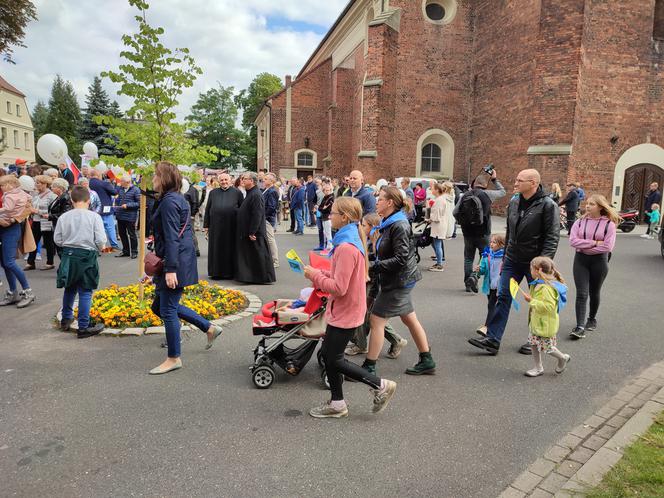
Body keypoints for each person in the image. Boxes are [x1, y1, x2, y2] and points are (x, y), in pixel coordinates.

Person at [303, 197, 397, 418]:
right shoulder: (350, 239)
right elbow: (343, 277)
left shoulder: (345, 246)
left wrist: (315, 276)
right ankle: (337, 404)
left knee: (332, 357)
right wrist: (320, 273)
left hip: (345, 310)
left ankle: (380, 385)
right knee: (328, 354)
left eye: (333, 213)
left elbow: (339, 288)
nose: (329, 216)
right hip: (347, 309)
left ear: (344, 217)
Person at [468, 169, 560, 356]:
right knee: (503, 297)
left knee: (537, 302)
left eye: (520, 180)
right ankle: (493, 340)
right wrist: (505, 257)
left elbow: (552, 237)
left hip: (535, 264)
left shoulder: (548, 205)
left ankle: (535, 341)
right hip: (512, 260)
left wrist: (543, 264)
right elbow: (510, 232)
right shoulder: (515, 201)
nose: (515, 183)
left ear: (533, 183)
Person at [148, 161, 223, 375]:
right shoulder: (172, 199)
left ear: (163, 179)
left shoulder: (170, 202)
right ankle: (208, 327)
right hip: (175, 259)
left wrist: (170, 269)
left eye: (155, 175)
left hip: (175, 262)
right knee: (158, 307)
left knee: (168, 310)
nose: (153, 179)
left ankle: (173, 358)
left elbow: (172, 238)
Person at [363, 186, 436, 375]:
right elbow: (385, 251)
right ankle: (427, 359)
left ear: (390, 203)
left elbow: (401, 258)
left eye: (380, 199)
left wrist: (373, 267)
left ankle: (369, 367)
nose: (376, 201)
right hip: (399, 278)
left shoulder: (399, 225)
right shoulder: (388, 221)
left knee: (376, 320)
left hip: (399, 280)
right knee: (409, 318)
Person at [345, 212, 408, 358]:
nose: (361, 226)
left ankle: (362, 344)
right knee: (371, 317)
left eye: (364, 225)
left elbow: (377, 262)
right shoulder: (369, 240)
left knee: (367, 316)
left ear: (373, 227)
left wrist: (364, 265)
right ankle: (392, 340)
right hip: (372, 282)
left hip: (374, 284)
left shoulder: (377, 243)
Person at [54, 186, 107, 338]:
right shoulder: (94, 217)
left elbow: (57, 239)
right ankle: (83, 327)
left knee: (70, 288)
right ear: (89, 201)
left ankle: (66, 319)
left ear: (71, 200)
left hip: (68, 255)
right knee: (85, 291)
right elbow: (100, 239)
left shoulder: (64, 217)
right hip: (87, 255)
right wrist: (101, 247)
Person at [569, 195, 619, 339]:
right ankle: (579, 326)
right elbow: (573, 241)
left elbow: (608, 247)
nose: (588, 206)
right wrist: (595, 243)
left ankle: (591, 318)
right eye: (587, 203)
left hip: (600, 262)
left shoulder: (609, 224)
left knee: (594, 291)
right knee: (582, 293)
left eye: (592, 204)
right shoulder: (580, 221)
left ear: (600, 207)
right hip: (580, 260)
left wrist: (585, 245)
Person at [453, 169, 506, 292]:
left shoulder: (465, 195)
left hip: (468, 233)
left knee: (468, 258)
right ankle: (475, 277)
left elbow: (455, 212)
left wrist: (463, 222)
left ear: (474, 184)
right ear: (485, 185)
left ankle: (468, 283)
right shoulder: (488, 195)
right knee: (485, 256)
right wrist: (494, 179)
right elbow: (503, 192)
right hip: (484, 233)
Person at [522, 256, 571, 377]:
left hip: (545, 324)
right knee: (533, 343)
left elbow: (549, 307)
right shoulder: (539, 284)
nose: (530, 271)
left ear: (538, 270)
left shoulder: (546, 288)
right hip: (537, 322)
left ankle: (562, 358)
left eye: (531, 269)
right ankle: (538, 368)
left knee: (549, 348)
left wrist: (531, 301)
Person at [0, 175, 35, 308]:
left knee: (9, 261)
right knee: (5, 262)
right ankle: (13, 292)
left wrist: (14, 219)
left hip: (10, 228)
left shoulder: (15, 192)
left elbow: (28, 208)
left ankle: (28, 292)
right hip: (4, 227)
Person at [235, 172, 276, 284]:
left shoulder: (256, 195)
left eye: (245, 178)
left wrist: (252, 231)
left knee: (259, 254)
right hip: (249, 230)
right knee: (252, 255)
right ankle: (251, 277)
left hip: (255, 232)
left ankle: (262, 277)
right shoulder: (250, 193)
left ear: (251, 181)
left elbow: (257, 214)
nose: (242, 180)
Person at [203, 172, 243, 280]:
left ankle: (230, 273)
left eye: (226, 180)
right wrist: (206, 225)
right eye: (222, 180)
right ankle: (216, 272)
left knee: (230, 249)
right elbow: (208, 209)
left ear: (230, 181)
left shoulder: (237, 193)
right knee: (216, 249)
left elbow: (242, 209)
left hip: (232, 226)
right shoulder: (213, 193)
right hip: (216, 227)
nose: (224, 182)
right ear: (219, 181)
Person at [474, 234, 506, 337]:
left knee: (491, 305)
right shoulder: (488, 255)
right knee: (492, 305)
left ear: (501, 244)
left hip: (498, 286)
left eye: (494, 242)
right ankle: (492, 324)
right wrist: (479, 269)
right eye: (491, 242)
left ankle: (487, 327)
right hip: (490, 285)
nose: (491, 244)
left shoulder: (504, 257)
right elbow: (483, 270)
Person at [25, 175, 58, 271]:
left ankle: (50, 262)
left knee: (48, 243)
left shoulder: (52, 196)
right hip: (35, 221)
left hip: (46, 222)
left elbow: (52, 211)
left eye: (38, 183)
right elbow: (33, 206)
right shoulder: (35, 194)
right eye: (36, 182)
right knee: (33, 242)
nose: (36, 184)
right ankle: (30, 262)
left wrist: (36, 211)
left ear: (45, 184)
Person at [88, 169, 120, 252]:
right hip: (105, 208)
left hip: (92, 209)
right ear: (98, 175)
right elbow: (115, 192)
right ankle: (114, 245)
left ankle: (99, 246)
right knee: (109, 227)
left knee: (95, 228)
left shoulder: (87, 183)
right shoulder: (104, 183)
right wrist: (118, 185)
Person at [427, 182, 454, 272]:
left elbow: (436, 216)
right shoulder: (440, 199)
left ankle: (439, 265)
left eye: (433, 188)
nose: (431, 190)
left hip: (438, 226)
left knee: (437, 245)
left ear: (437, 190)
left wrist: (429, 218)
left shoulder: (439, 200)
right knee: (436, 244)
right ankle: (439, 262)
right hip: (439, 225)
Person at [114, 176, 140, 259]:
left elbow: (139, 203)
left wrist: (128, 205)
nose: (120, 183)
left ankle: (134, 251)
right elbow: (118, 199)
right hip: (120, 215)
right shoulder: (120, 189)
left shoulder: (136, 190)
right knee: (122, 234)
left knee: (132, 234)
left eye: (122, 181)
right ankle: (126, 251)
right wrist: (116, 204)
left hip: (130, 216)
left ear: (128, 182)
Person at [262, 173, 280, 267]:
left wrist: (264, 216)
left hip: (268, 218)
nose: (263, 180)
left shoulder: (272, 191)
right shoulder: (267, 190)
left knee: (270, 239)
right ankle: (270, 258)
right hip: (266, 218)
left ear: (271, 181)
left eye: (266, 179)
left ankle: (275, 260)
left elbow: (272, 207)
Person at [184, 178, 201, 257]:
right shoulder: (190, 190)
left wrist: (192, 215)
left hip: (189, 214)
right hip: (187, 214)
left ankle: (196, 249)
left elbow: (195, 202)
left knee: (191, 232)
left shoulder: (191, 190)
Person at [318, 183, 335, 250]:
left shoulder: (331, 198)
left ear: (330, 190)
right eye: (325, 190)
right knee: (325, 232)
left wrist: (323, 208)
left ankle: (330, 246)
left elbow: (328, 209)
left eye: (328, 190)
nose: (327, 191)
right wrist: (323, 208)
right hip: (324, 217)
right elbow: (320, 208)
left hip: (328, 217)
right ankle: (328, 246)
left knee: (328, 233)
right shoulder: (325, 197)